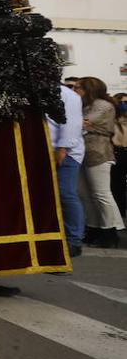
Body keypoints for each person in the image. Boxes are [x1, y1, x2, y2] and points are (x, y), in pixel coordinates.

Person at [77, 77, 123, 248]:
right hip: (84, 151)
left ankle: (109, 232)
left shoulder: (102, 105)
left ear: (89, 88)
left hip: (99, 151)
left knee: (101, 193)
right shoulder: (86, 104)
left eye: (78, 87)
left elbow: (84, 122)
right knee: (85, 194)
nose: (75, 91)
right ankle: (94, 228)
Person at [50, 82, 85, 257]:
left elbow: (71, 124)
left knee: (66, 193)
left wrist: (62, 149)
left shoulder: (68, 95)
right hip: (44, 151)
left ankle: (74, 240)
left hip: (65, 152)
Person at [112, 92, 127, 220]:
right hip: (117, 152)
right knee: (117, 185)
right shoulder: (112, 119)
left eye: (126, 102)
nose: (124, 105)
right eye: (121, 102)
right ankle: (119, 213)